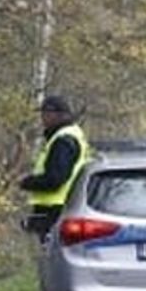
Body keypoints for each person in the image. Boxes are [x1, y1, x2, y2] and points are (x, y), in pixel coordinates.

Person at [19, 95, 91, 239]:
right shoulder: (71, 135)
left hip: (54, 211)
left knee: (46, 256)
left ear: (57, 115)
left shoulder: (63, 141)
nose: (42, 118)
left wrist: (26, 182)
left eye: (45, 114)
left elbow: (55, 179)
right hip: (61, 207)